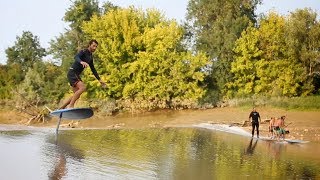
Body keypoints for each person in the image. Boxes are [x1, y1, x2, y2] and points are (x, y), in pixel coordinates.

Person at [60, 39, 106, 109]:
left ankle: (62, 108)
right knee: (83, 88)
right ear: (89, 45)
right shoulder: (84, 51)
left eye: (96, 47)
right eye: (93, 46)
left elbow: (93, 69)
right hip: (72, 72)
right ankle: (71, 106)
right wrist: (81, 62)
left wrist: (100, 80)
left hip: (75, 74)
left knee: (76, 95)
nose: (95, 48)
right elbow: (76, 57)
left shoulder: (90, 57)